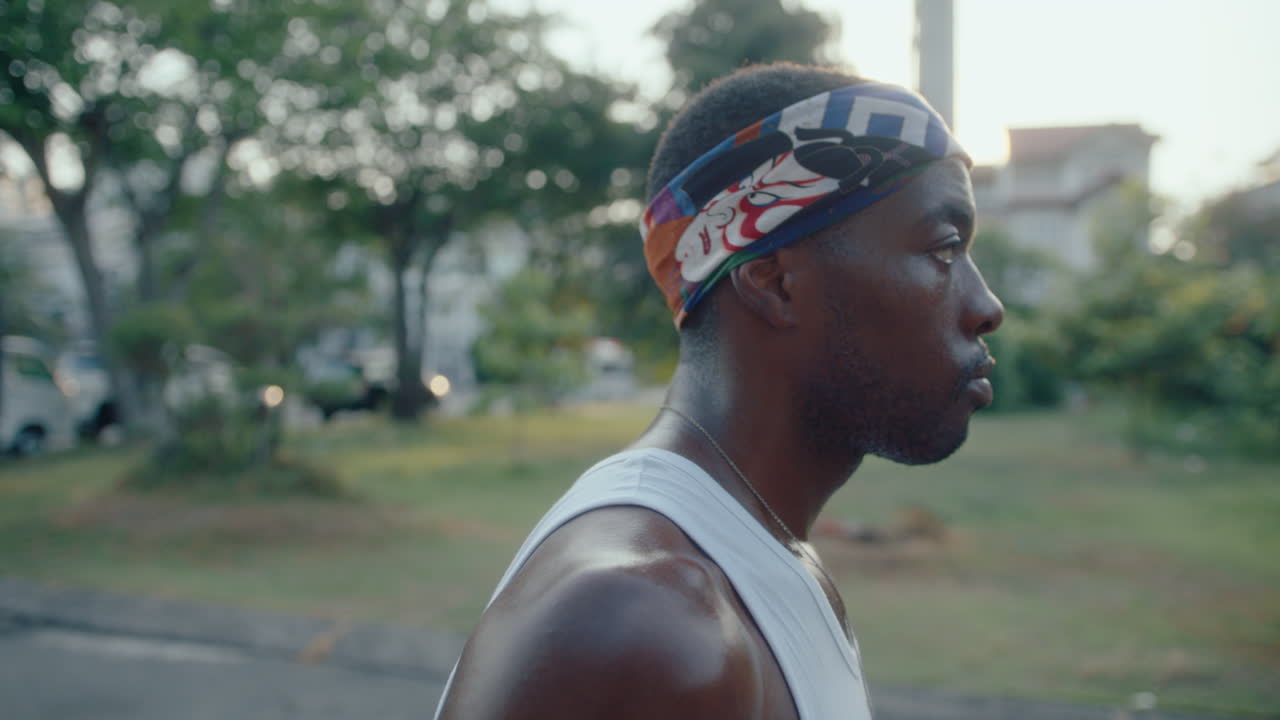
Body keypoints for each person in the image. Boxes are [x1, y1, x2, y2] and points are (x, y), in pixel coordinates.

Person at [434, 62, 1004, 720]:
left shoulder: (766, 562)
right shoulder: (649, 629)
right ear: (773, 282)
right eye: (943, 247)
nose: (986, 305)